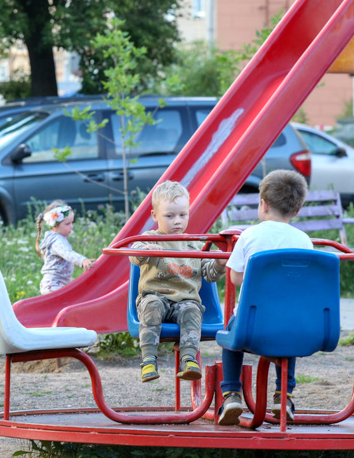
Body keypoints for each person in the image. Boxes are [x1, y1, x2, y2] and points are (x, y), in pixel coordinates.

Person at [217, 170, 313, 426]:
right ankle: (284, 396)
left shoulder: (249, 235)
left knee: (230, 338)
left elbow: (236, 278)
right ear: (298, 208)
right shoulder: (304, 241)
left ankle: (231, 394)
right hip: (290, 324)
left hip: (251, 324)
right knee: (288, 343)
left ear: (263, 204)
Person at [130, 181, 227, 383]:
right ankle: (148, 359)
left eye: (183, 215)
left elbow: (209, 275)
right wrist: (144, 251)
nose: (177, 221)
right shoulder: (151, 239)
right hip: (155, 296)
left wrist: (218, 264)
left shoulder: (195, 244)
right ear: (155, 216)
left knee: (193, 310)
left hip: (185, 301)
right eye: (170, 216)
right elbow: (134, 255)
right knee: (152, 305)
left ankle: (189, 359)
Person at [36, 201, 95, 295]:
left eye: (71, 223)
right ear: (55, 225)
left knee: (79, 291)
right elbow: (68, 254)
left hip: (60, 281)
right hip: (53, 284)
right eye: (67, 224)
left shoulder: (58, 238)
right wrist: (82, 260)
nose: (71, 226)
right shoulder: (56, 241)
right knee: (59, 307)